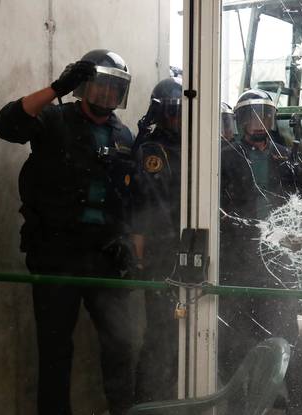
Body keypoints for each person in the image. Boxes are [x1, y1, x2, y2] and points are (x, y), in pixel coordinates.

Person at [0, 49, 135, 415]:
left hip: (105, 255)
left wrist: (128, 242)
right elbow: (5, 125)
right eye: (100, 87)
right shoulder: (54, 119)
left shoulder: (123, 133)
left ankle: (122, 410)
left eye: (115, 89)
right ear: (83, 86)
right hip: (57, 255)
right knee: (55, 351)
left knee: (121, 344)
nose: (107, 96)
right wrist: (57, 87)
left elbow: (129, 196)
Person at [218, 89, 302, 415]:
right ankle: (239, 403)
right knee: (236, 335)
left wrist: (295, 166)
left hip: (278, 258)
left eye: (265, 116)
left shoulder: (286, 156)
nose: (259, 123)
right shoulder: (224, 156)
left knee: (287, 331)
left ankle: (301, 399)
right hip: (238, 258)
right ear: (240, 121)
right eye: (252, 116)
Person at [131, 76, 183, 402]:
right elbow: (154, 207)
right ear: (163, 113)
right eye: (177, 112)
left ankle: (176, 397)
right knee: (161, 334)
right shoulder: (153, 150)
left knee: (184, 333)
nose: (183, 119)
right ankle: (149, 402)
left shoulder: (192, 145)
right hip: (165, 253)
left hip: (187, 249)